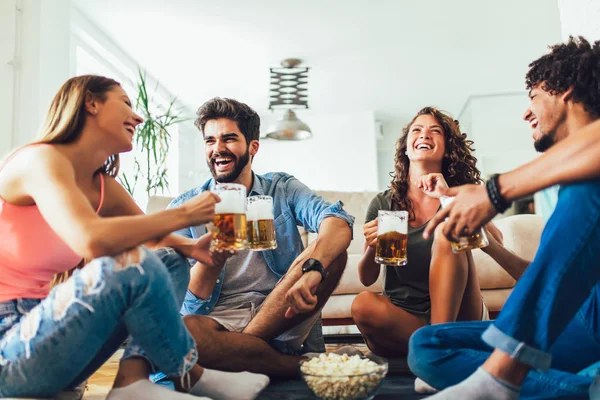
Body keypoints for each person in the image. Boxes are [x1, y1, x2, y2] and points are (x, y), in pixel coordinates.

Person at [0, 75, 269, 400]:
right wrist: (184, 215)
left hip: (51, 339)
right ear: (92, 103)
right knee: (122, 262)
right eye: (126, 103)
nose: (138, 116)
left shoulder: (102, 187)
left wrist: (192, 249)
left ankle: (133, 380)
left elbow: (155, 240)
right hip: (8, 346)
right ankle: (189, 374)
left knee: (170, 260)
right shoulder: (38, 159)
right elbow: (90, 239)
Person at [409, 36, 600, 399]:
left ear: (566, 90)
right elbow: (552, 281)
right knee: (428, 344)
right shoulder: (564, 181)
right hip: (581, 321)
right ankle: (585, 386)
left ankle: (502, 378)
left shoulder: (585, 185)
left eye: (533, 98)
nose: (526, 113)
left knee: (583, 189)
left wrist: (494, 193)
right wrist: (483, 231)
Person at [162, 98, 354, 381]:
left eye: (229, 139)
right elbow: (187, 306)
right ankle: (297, 366)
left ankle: (243, 353)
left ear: (253, 146)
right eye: (210, 141)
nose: (218, 149)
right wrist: (213, 257)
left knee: (333, 253)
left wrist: (313, 270)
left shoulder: (281, 188)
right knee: (187, 332)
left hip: (281, 311)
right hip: (218, 319)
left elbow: (337, 221)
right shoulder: (185, 208)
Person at [350, 107, 506, 358]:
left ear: (448, 148)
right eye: (417, 130)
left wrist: (448, 199)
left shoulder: (458, 193)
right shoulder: (383, 203)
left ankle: (431, 350)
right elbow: (367, 278)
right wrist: (371, 246)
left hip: (460, 313)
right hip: (404, 314)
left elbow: (496, 241)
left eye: (435, 131)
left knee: (446, 232)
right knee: (362, 304)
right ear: (406, 147)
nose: (424, 135)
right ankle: (440, 351)